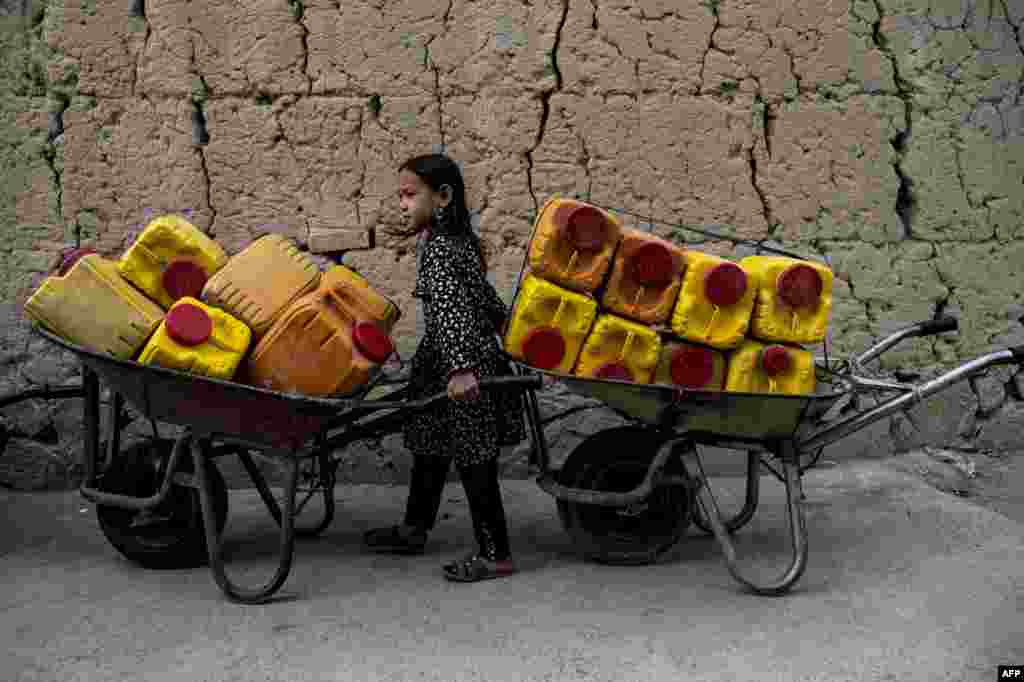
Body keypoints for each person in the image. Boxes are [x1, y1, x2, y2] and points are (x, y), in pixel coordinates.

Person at [363, 152, 527, 582]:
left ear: (442, 196)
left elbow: (454, 308)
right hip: (447, 360)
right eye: (400, 195)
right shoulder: (456, 242)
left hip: (460, 362)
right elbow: (482, 297)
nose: (402, 204)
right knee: (430, 446)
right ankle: (414, 528)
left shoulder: (440, 250)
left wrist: (460, 370)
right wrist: (506, 326)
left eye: (409, 195)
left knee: (474, 460)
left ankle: (496, 553)